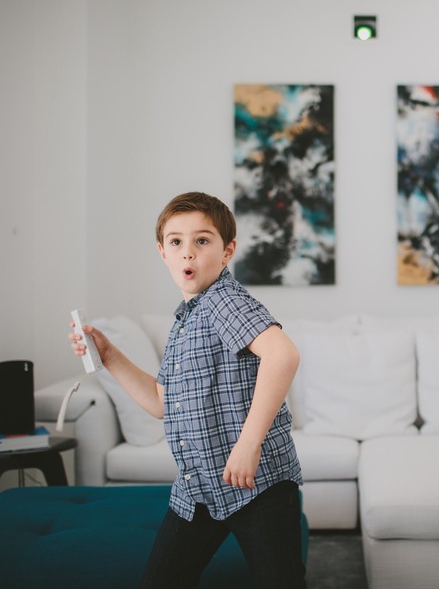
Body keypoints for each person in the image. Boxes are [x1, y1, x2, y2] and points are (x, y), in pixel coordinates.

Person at [69, 192, 305, 588]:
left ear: (228, 251)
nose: (188, 253)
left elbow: (283, 356)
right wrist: (109, 356)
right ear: (162, 252)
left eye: (202, 240)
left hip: (256, 485)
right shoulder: (185, 320)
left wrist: (249, 444)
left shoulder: (223, 302)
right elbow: (162, 402)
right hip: (198, 488)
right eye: (176, 242)